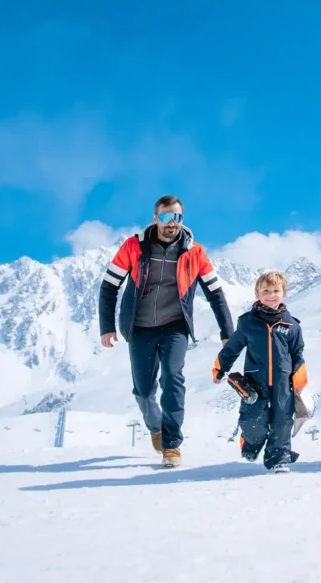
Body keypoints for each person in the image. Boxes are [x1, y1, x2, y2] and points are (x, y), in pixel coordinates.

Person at [99, 195, 234, 468]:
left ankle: (172, 445)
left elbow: (215, 293)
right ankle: (155, 426)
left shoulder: (194, 252)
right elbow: (109, 286)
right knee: (144, 391)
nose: (171, 223)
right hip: (140, 327)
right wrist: (107, 327)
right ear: (155, 218)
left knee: (173, 379)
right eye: (165, 217)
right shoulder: (134, 246)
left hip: (175, 327)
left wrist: (227, 332)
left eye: (177, 218)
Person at [212, 271, 307, 473]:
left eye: (276, 291)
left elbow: (297, 353)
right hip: (255, 381)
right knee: (253, 420)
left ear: (284, 294)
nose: (271, 295)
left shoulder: (292, 325)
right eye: (266, 291)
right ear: (257, 293)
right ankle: (250, 443)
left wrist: (299, 376)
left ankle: (279, 457)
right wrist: (220, 368)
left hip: (283, 382)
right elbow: (232, 347)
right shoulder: (248, 322)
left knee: (282, 421)